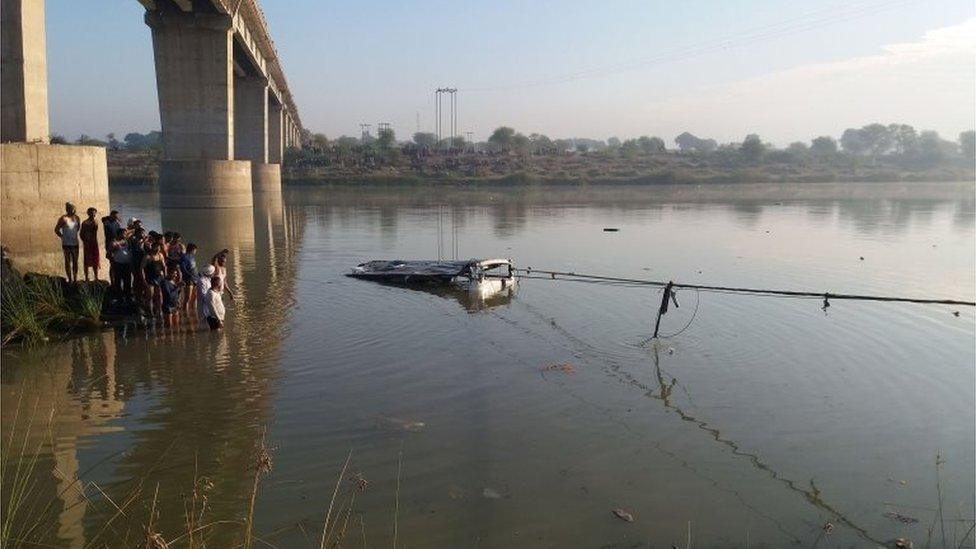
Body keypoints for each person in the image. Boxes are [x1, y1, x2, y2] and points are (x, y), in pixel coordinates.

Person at [54, 202, 81, 282]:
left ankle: (75, 278)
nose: (73, 210)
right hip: (66, 244)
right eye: (71, 208)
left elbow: (78, 228)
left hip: (75, 243)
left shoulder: (77, 218)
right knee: (67, 261)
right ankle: (70, 279)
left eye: (73, 208)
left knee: (75, 261)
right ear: (67, 209)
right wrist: (62, 237)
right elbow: (56, 230)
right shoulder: (63, 218)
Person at [142, 242, 166, 317]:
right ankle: (151, 312)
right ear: (153, 247)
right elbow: (142, 269)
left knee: (159, 295)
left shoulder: (160, 255)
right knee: (150, 296)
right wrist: (144, 279)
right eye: (156, 248)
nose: (158, 250)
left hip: (159, 278)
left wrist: (165, 276)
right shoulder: (147, 257)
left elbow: (164, 266)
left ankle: (160, 311)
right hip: (150, 278)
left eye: (159, 248)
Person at [101, 210, 122, 286]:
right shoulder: (106, 222)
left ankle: (117, 281)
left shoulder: (117, 223)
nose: (116, 218)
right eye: (115, 216)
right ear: (111, 215)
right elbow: (103, 219)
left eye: (117, 216)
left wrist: (118, 220)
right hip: (109, 245)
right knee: (112, 263)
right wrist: (110, 218)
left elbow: (120, 231)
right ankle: (113, 282)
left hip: (116, 244)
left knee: (116, 264)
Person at [79, 207, 100, 281]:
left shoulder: (96, 221)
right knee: (86, 261)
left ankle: (96, 277)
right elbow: (81, 234)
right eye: (91, 212)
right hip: (87, 243)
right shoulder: (85, 223)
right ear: (88, 213)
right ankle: (86, 277)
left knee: (96, 260)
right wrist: (85, 241)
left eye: (94, 213)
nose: (93, 214)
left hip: (94, 243)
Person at [110, 228, 132, 296]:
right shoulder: (114, 241)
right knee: (118, 281)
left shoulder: (127, 241)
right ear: (119, 234)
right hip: (118, 264)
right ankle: (119, 297)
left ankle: (127, 296)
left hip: (127, 264)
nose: (125, 235)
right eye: (123, 233)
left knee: (127, 281)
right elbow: (111, 247)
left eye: (125, 234)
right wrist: (120, 243)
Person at [179, 243, 199, 313]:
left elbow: (194, 268)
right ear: (192, 249)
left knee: (195, 296)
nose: (195, 252)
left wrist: (198, 275)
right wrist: (189, 275)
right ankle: (185, 313)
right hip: (188, 279)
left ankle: (193, 312)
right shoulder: (184, 257)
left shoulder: (192, 257)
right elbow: (183, 268)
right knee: (188, 298)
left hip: (195, 278)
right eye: (195, 250)